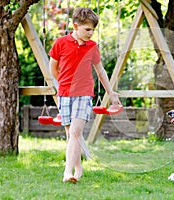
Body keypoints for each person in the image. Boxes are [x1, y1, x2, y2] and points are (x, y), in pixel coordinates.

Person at [49, 8, 121, 183]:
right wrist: (64, 84)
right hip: (65, 94)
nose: (91, 33)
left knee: (75, 131)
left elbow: (101, 71)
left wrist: (111, 93)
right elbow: (53, 68)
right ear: (75, 26)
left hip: (84, 94)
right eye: (88, 29)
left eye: (93, 30)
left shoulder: (92, 47)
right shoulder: (61, 43)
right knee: (71, 134)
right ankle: (78, 168)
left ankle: (67, 172)